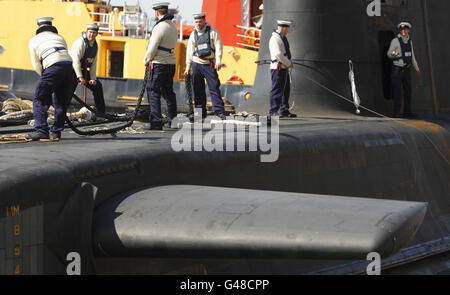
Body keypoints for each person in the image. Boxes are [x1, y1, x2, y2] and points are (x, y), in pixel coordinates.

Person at [26, 17, 73, 141]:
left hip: (52, 67)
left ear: (38, 27)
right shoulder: (60, 37)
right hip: (69, 68)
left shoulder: (34, 40)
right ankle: (56, 132)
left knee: (40, 98)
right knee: (61, 101)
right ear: (51, 27)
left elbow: (36, 64)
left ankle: (41, 130)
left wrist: (45, 77)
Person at [143, 2, 178, 130]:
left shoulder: (159, 27)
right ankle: (173, 120)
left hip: (159, 64)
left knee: (153, 91)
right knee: (168, 92)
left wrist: (146, 60)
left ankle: (156, 122)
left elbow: (153, 47)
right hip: (171, 64)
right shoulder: (173, 27)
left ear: (157, 13)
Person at [184, 13, 226, 120]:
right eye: (196, 22)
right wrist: (188, 66)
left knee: (214, 88)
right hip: (196, 64)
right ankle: (200, 113)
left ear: (204, 20)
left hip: (209, 64)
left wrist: (218, 61)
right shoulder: (193, 34)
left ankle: (220, 112)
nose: (198, 24)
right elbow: (189, 50)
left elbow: (218, 46)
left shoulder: (212, 32)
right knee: (198, 90)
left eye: (200, 21)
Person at [387, 22, 421, 118]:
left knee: (408, 92)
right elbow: (389, 53)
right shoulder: (395, 41)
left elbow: (412, 56)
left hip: (407, 70)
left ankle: (407, 111)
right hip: (397, 69)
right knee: (398, 92)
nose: (403, 32)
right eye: (402, 30)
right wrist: (394, 54)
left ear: (408, 30)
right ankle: (396, 112)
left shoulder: (410, 41)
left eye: (405, 30)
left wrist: (417, 68)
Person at [70, 24, 105, 113]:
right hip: (71, 69)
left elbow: (94, 64)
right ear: (87, 32)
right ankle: (61, 114)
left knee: (97, 86)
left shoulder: (95, 46)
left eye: (94, 33)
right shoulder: (80, 43)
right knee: (69, 90)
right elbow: (75, 61)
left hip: (82, 70)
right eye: (90, 32)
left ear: (96, 34)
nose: (91, 35)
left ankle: (101, 112)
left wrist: (93, 79)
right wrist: (80, 77)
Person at [269, 20, 297, 118]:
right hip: (278, 67)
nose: (287, 31)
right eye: (287, 29)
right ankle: (273, 111)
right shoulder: (275, 39)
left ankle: (284, 110)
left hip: (284, 67)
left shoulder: (282, 38)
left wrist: (288, 63)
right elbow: (278, 54)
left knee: (285, 90)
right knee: (277, 89)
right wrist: (289, 63)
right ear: (283, 28)